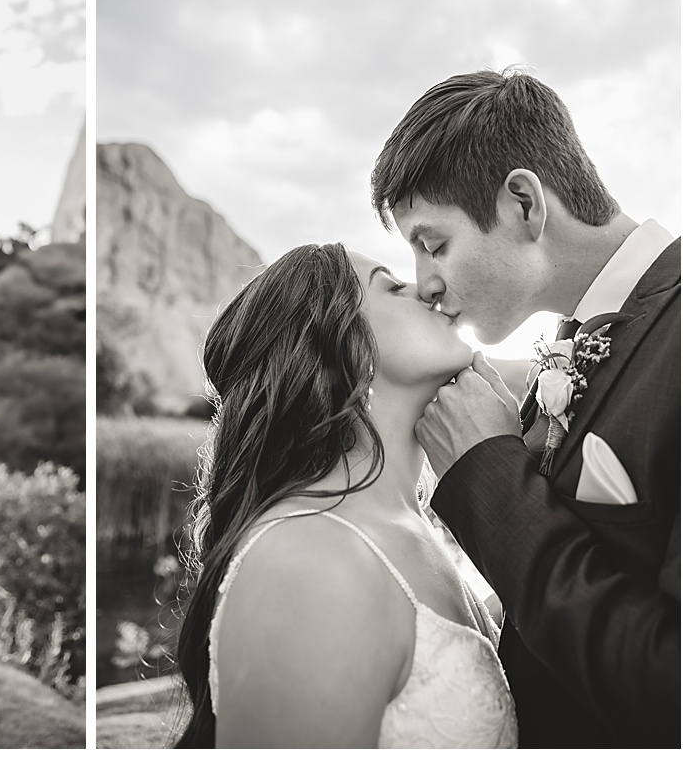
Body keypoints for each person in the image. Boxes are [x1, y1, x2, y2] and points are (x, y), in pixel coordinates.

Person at [370, 69, 679, 747]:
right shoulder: (571, 345)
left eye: (433, 243)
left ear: (522, 203)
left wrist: (487, 473)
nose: (425, 284)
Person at [174, 243, 517, 748]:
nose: (426, 288)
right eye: (392, 286)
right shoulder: (306, 559)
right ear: (341, 355)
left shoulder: (415, 529)